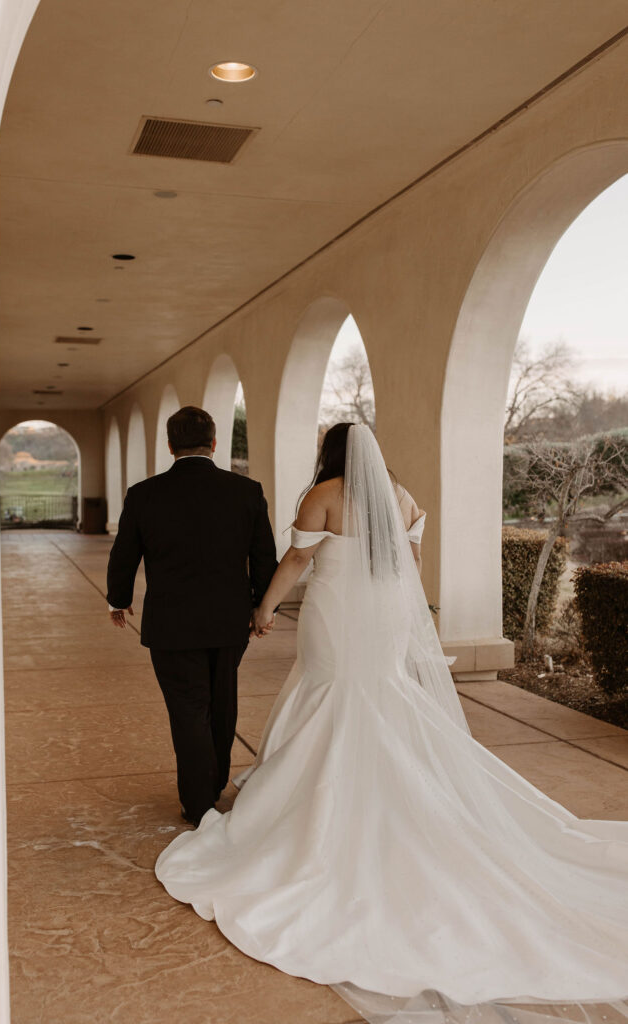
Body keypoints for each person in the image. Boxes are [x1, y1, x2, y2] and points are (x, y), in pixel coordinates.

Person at [155, 422, 628, 1024]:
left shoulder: (323, 493)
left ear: (331, 451)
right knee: (376, 693)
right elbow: (413, 561)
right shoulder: (401, 499)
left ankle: (317, 803)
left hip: (336, 608)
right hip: (383, 609)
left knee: (329, 691)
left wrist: (265, 607)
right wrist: (408, 619)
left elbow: (300, 556)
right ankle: (387, 791)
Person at [106, 405, 278, 827]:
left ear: (170, 445)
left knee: (188, 708)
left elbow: (124, 553)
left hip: (171, 625)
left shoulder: (144, 494)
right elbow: (263, 558)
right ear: (215, 443)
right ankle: (214, 781)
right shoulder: (246, 490)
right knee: (221, 702)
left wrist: (119, 598)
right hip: (228, 621)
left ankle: (199, 801)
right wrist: (261, 607)